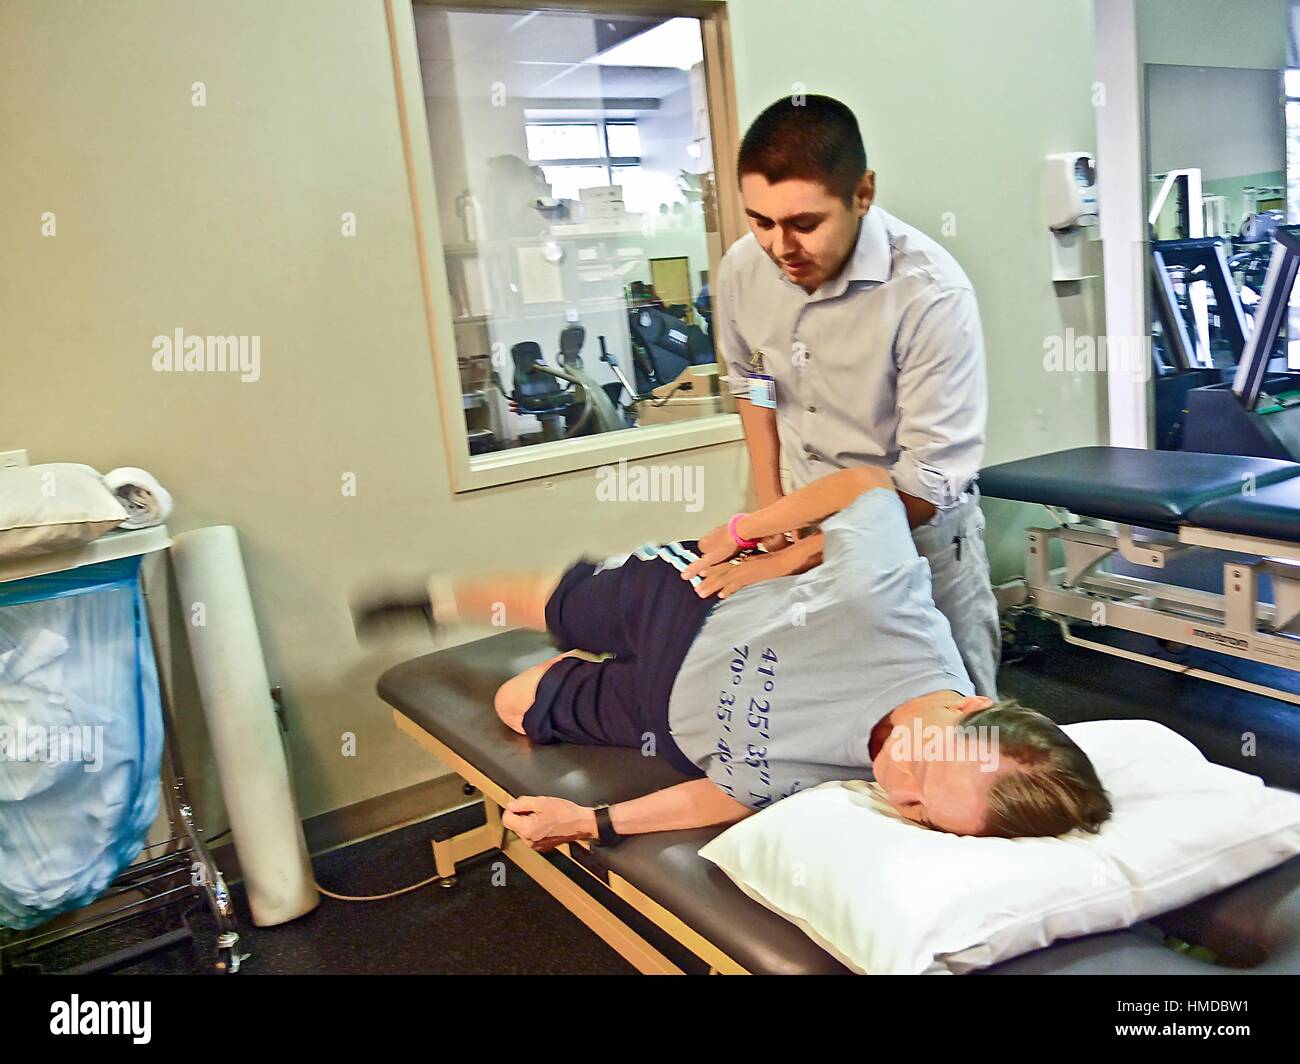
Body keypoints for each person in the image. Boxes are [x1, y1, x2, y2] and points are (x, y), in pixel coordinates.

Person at [353, 468, 1110, 851]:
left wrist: (593, 821)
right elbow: (870, 489)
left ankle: (584, 660)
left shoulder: (874, 783)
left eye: (923, 813)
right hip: (692, 606)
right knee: (556, 605)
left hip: (663, 720)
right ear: (973, 705)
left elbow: (737, 793)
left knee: (514, 704)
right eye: (921, 770)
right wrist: (753, 537)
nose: (899, 791)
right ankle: (440, 597)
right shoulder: (887, 608)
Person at [713, 94, 1001, 697]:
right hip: (801, 534)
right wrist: (770, 514)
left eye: (804, 224)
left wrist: (791, 554)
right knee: (836, 720)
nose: (780, 247)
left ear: (862, 193)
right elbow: (754, 384)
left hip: (915, 546)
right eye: (761, 221)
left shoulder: (929, 294)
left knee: (961, 729)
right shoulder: (742, 270)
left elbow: (925, 486)